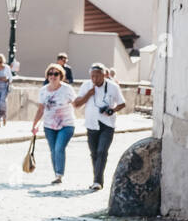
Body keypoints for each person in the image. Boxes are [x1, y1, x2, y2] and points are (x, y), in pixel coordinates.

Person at [73, 62, 127, 190]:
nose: (94, 79)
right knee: (94, 154)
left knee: (102, 151)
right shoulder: (86, 86)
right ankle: (97, 178)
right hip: (91, 124)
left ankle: (97, 181)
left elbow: (122, 103)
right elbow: (76, 104)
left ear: (104, 75)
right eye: (92, 76)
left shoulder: (113, 87)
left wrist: (112, 110)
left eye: (97, 76)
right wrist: (88, 94)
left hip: (107, 125)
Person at [31, 62, 77, 185]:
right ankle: (56, 173)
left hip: (66, 124)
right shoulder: (43, 91)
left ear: (60, 75)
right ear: (47, 76)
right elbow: (40, 109)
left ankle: (59, 175)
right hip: (49, 125)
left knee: (59, 148)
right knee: (53, 150)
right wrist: (34, 125)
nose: (53, 76)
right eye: (50, 74)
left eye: (56, 73)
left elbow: (76, 104)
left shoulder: (67, 89)